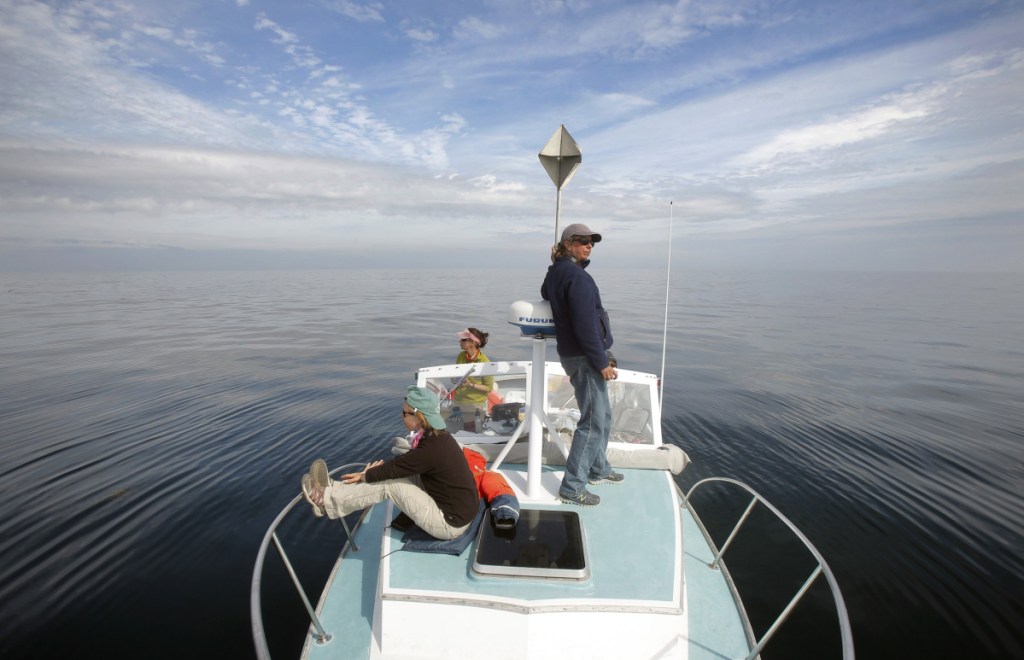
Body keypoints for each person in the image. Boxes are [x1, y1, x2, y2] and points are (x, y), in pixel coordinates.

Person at [300, 385, 480, 540]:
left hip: (450, 524)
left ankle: (325, 501)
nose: (401, 416)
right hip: (460, 510)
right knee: (389, 474)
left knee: (389, 485)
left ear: (418, 417)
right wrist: (370, 475)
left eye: (404, 413)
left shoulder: (430, 449)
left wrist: (367, 475)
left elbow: (399, 467)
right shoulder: (438, 437)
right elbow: (406, 464)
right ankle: (336, 488)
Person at [541, 222, 623, 507]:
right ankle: (572, 487)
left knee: (604, 416)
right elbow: (585, 324)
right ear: (567, 244)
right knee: (592, 423)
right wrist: (601, 360)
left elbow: (545, 292)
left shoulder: (559, 273)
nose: (588, 246)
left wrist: (554, 264)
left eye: (591, 242)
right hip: (586, 358)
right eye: (582, 241)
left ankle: (599, 468)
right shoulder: (577, 278)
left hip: (574, 354)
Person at [451, 328, 494, 431]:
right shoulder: (461, 356)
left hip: (476, 404)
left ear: (473, 342)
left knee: (471, 430)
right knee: (456, 430)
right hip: (458, 400)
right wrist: (454, 379)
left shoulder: (485, 362)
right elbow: (454, 379)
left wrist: (470, 384)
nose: (460, 341)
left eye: (463, 339)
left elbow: (488, 388)